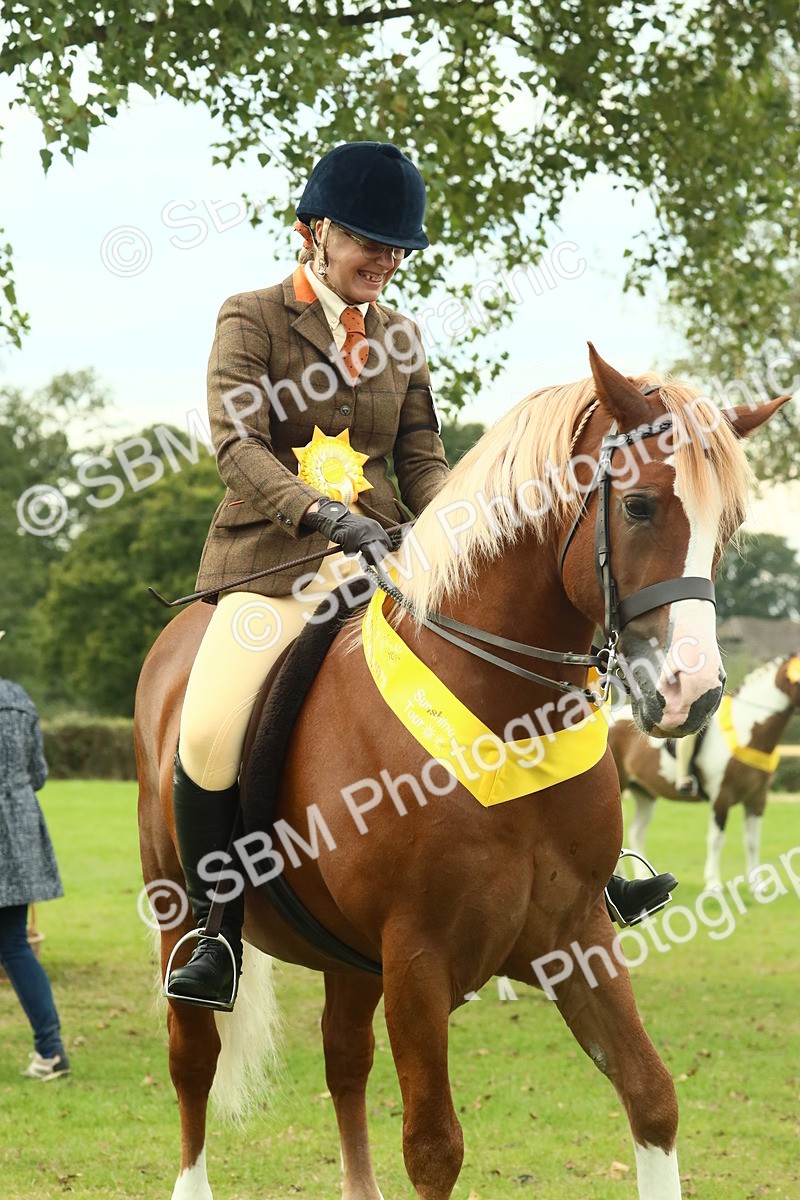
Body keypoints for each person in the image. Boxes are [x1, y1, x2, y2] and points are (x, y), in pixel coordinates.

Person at [167, 141, 675, 1010]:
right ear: (314, 232)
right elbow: (238, 447)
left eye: (399, 248)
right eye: (370, 240)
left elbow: (423, 460)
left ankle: (589, 874)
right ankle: (217, 927)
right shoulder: (249, 317)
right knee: (211, 731)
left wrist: (467, 530)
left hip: (387, 564)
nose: (387, 261)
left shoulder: (401, 338)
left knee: (527, 663)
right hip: (274, 564)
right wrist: (325, 516)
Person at [0, 633, 70, 1080]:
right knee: (14, 947)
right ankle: (50, 1051)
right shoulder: (19, 699)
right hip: (18, 830)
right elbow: (38, 773)